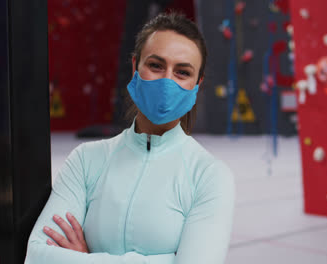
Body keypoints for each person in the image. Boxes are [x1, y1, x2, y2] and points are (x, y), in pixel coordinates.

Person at [25, 12, 236, 264]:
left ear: (197, 83)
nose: (167, 81)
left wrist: (85, 258)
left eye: (182, 72)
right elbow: (38, 256)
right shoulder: (85, 160)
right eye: (156, 65)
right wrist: (167, 260)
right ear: (136, 66)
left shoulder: (209, 175)